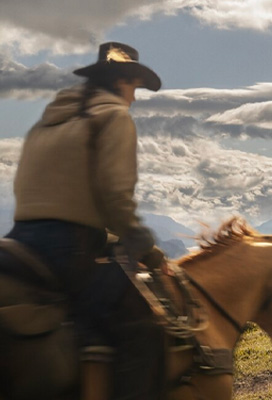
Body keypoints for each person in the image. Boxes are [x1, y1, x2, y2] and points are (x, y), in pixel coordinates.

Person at [6, 42, 165, 399]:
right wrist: (148, 250)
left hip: (19, 241)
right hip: (68, 247)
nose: (134, 99)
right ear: (122, 81)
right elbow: (116, 197)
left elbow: (29, 189)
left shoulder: (46, 124)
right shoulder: (114, 117)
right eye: (134, 88)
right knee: (144, 328)